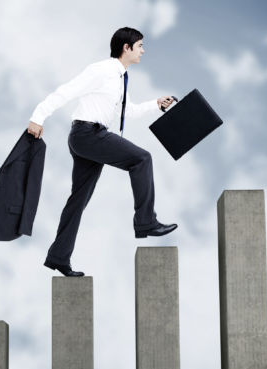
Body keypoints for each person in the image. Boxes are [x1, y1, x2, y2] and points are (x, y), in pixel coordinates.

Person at [28, 27, 177, 277]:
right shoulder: (101, 71)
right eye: (140, 45)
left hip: (89, 138)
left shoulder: (120, 77)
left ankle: (58, 257)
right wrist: (38, 116)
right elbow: (67, 90)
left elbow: (125, 111)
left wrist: (156, 105)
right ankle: (145, 221)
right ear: (126, 48)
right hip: (88, 135)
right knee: (142, 158)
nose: (143, 50)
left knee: (78, 200)